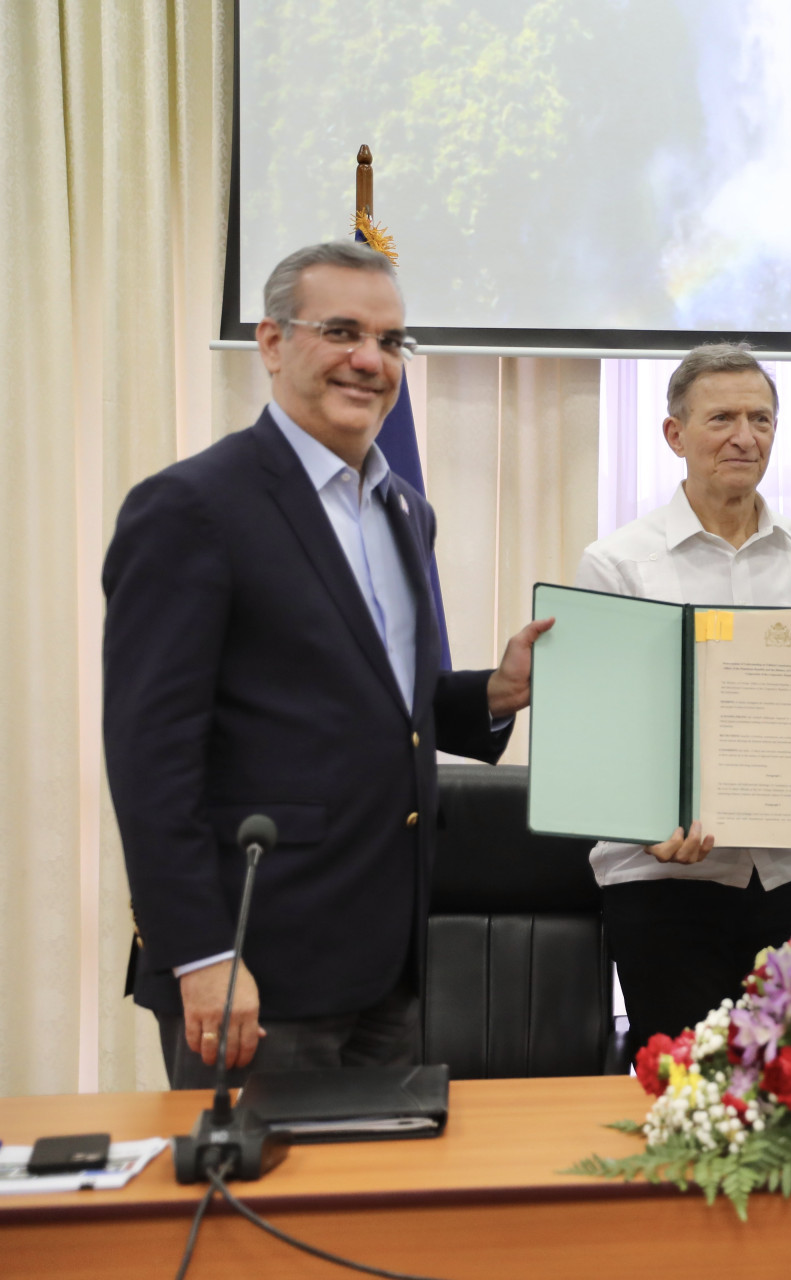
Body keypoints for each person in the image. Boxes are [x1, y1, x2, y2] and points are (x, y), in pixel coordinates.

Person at [103, 241, 550, 1089]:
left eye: (390, 341)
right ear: (272, 343)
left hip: (389, 962)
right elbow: (149, 756)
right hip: (255, 965)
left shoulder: (404, 509)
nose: (369, 361)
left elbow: (380, 702)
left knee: (381, 1180)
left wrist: (492, 694)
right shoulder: (192, 508)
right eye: (341, 331)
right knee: (254, 1181)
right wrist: (201, 952)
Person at [576, 343, 791, 1044]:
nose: (744, 437)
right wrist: (646, 823)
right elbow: (597, 732)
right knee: (681, 1084)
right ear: (675, 434)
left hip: (785, 875)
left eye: (761, 419)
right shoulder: (619, 563)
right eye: (721, 418)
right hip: (659, 878)